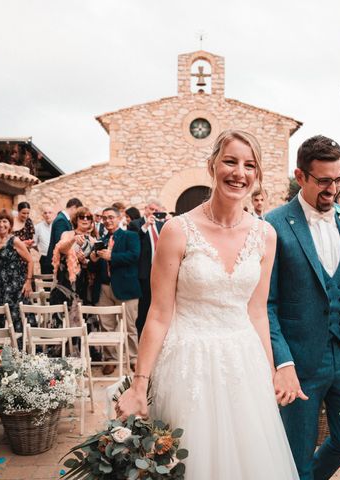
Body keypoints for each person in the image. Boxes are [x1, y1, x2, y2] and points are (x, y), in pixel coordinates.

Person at [115, 130, 298, 479]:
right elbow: (158, 314)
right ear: (212, 164)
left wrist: (270, 370)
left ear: (257, 176)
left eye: (250, 165)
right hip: (188, 365)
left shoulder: (265, 235)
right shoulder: (177, 230)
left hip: (244, 365)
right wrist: (140, 384)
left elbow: (257, 311)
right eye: (230, 161)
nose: (239, 173)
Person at [266, 135, 340, 480]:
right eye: (324, 181)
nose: (333, 189)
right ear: (300, 176)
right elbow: (266, 304)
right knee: (297, 449)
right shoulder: (273, 224)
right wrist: (282, 361)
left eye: (339, 179)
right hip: (300, 361)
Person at [89, 206, 141, 375]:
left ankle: (133, 359)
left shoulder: (130, 236)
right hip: (104, 288)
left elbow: (135, 256)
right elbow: (93, 265)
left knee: (130, 326)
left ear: (119, 219)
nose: (107, 221)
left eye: (111, 217)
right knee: (106, 326)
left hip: (126, 288)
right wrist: (94, 257)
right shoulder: (101, 239)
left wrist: (112, 257)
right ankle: (111, 359)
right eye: (104, 218)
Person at [0, 209, 34, 333]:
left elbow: (30, 261)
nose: (1, 225)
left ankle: (20, 351)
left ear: (10, 224)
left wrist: (28, 282)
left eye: (4, 221)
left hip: (14, 286)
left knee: (17, 321)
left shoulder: (15, 241)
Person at [50, 207, 97, 326]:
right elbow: (61, 248)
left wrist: (84, 261)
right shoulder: (67, 234)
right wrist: (73, 240)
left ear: (92, 221)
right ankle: (61, 344)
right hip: (64, 281)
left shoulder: (92, 240)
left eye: (88, 217)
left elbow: (92, 263)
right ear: (76, 219)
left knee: (80, 319)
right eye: (82, 217)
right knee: (62, 316)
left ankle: (79, 344)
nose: (85, 219)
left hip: (82, 283)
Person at [128, 199, 166, 338]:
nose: (153, 212)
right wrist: (145, 227)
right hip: (144, 273)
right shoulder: (135, 224)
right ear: (145, 209)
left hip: (160, 273)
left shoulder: (162, 225)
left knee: (158, 307)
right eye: (151, 209)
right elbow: (133, 242)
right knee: (143, 309)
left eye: (156, 210)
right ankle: (141, 338)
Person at [49, 198, 83, 263]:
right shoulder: (61, 220)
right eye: (78, 212)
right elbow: (59, 243)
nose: (77, 215)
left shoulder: (64, 219)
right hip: (56, 260)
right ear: (74, 208)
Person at [33, 205, 55, 275]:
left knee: (58, 283)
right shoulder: (37, 227)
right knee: (46, 283)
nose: (47, 215)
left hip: (56, 258)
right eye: (45, 213)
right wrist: (42, 250)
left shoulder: (57, 226)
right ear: (42, 215)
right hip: (44, 258)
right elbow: (34, 244)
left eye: (49, 212)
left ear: (53, 214)